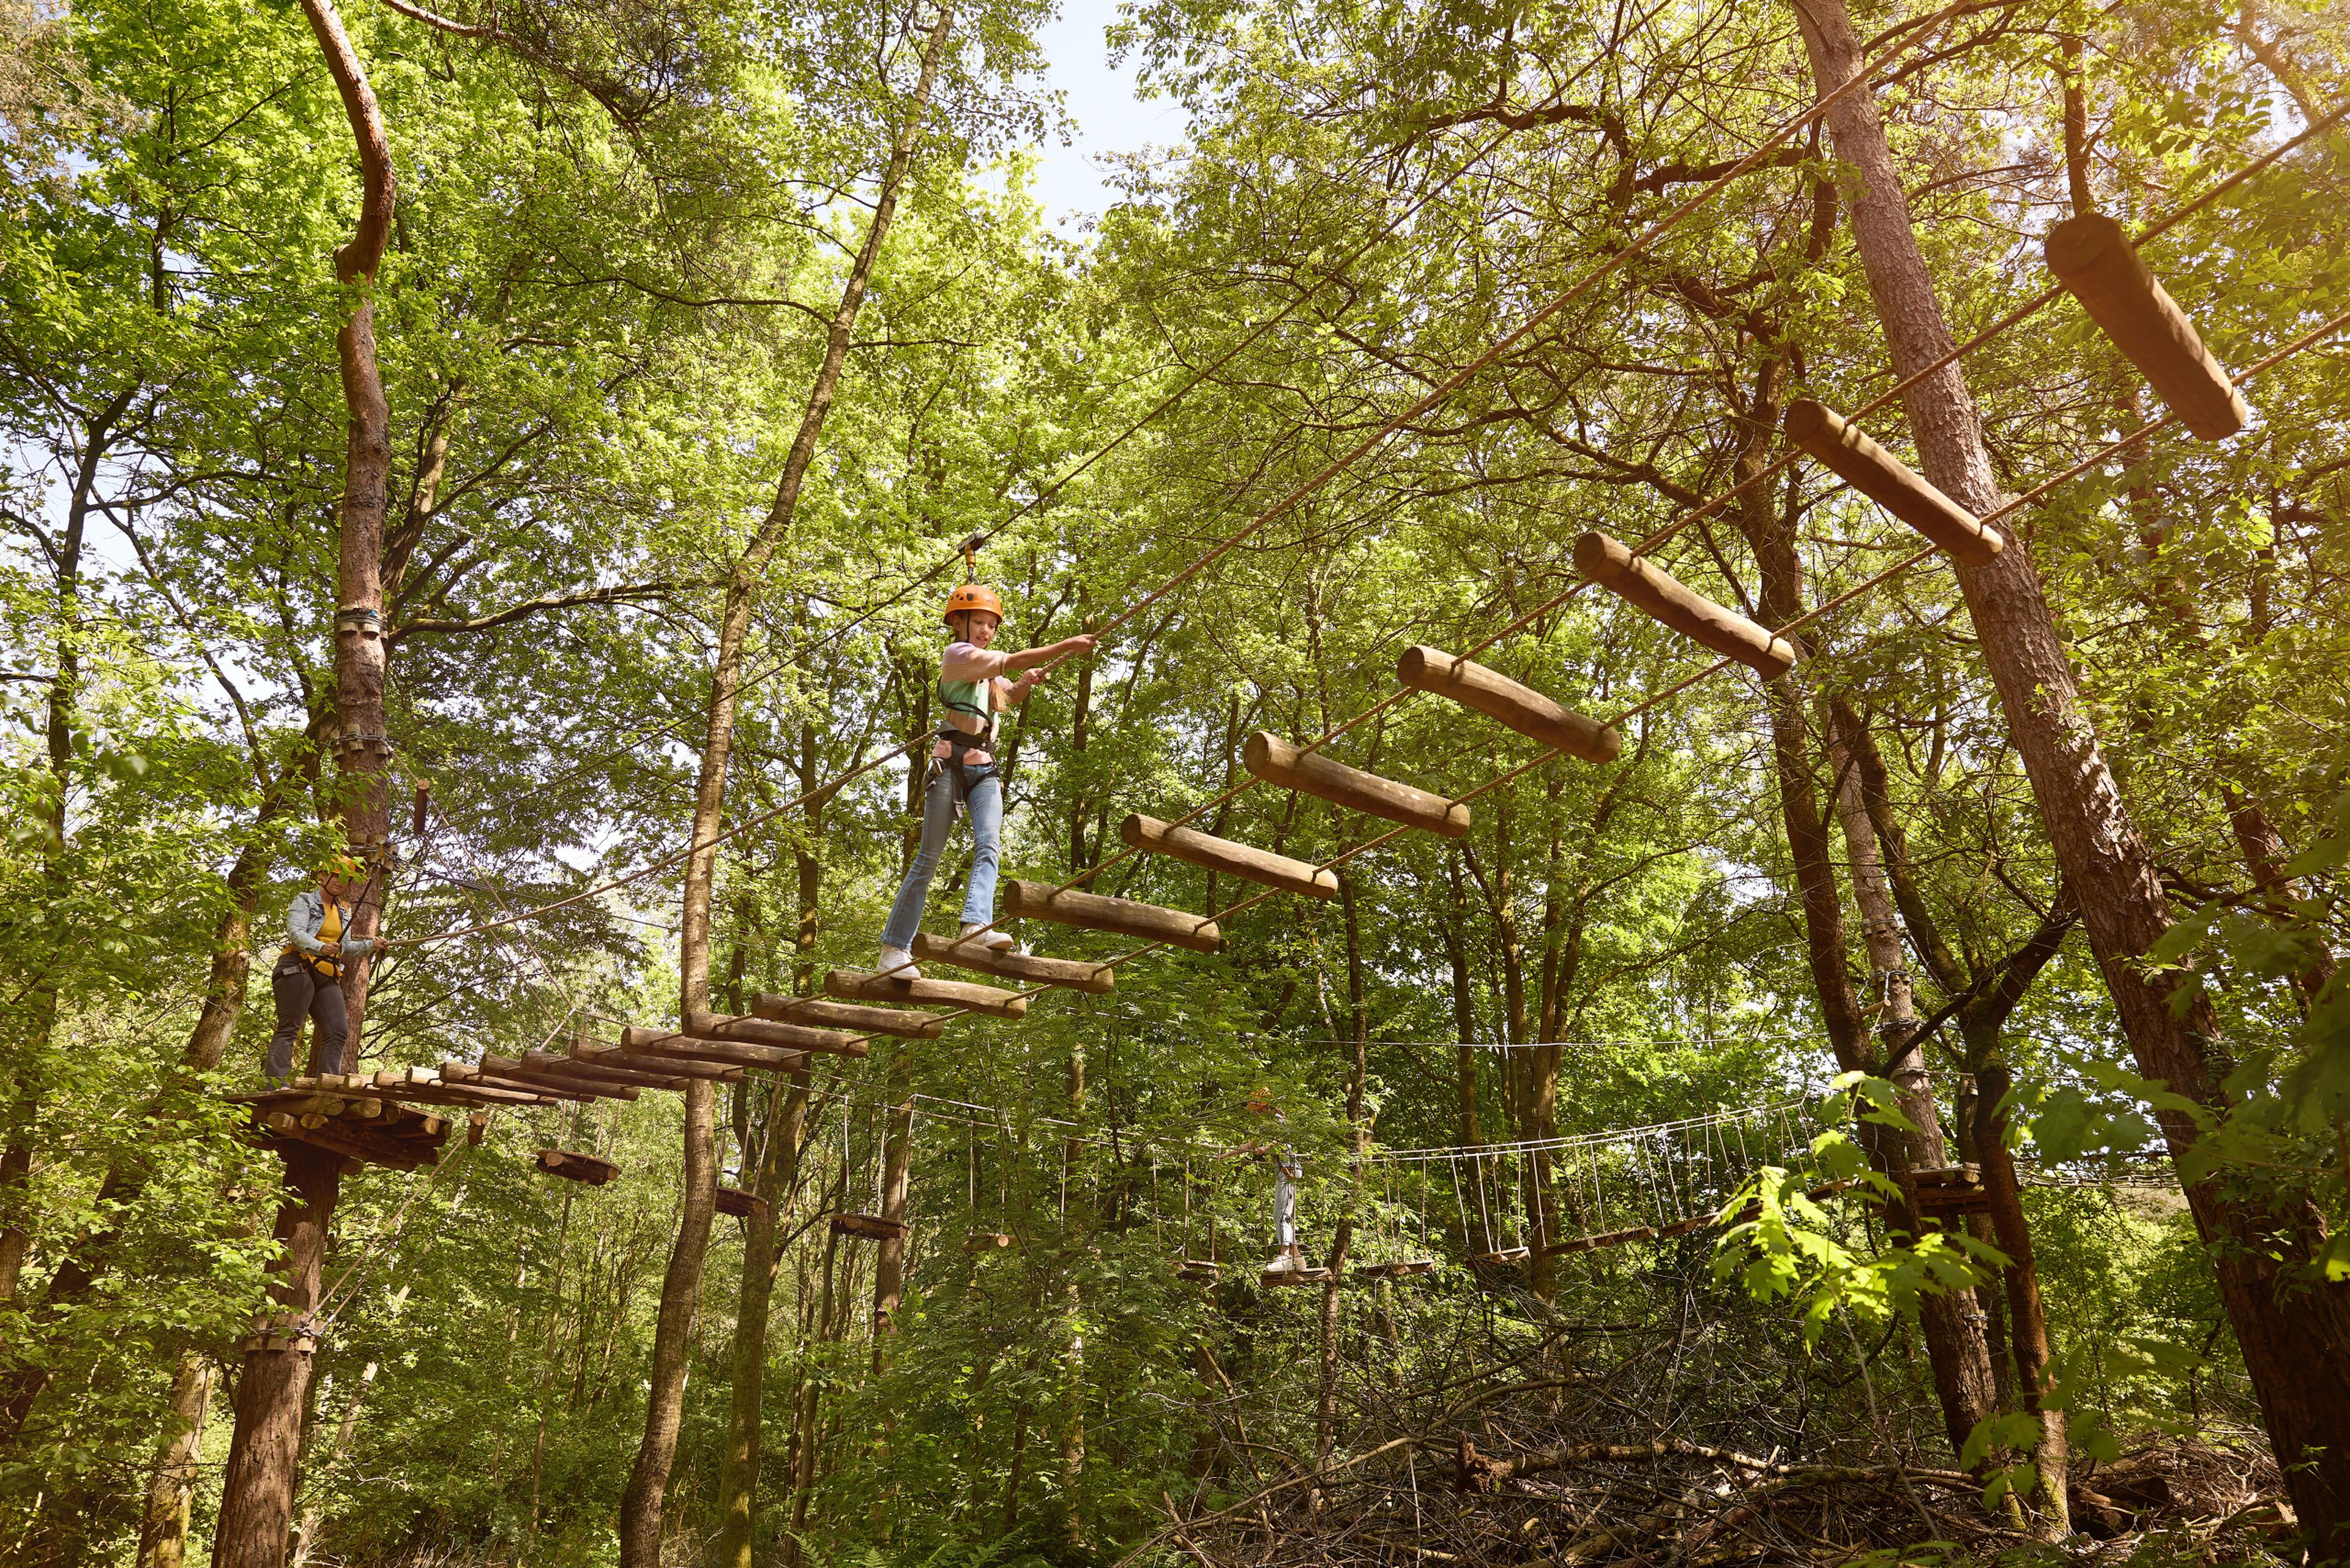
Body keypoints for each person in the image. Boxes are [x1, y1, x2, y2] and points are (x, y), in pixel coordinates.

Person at [876, 584, 1095, 978]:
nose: (985, 631)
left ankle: (975, 925)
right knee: (929, 859)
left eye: (991, 626)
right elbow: (1010, 660)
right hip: (950, 765)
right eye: (979, 623)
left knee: (990, 845)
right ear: (958, 624)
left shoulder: (986, 675)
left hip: (985, 769)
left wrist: (1026, 682)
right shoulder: (958, 657)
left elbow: (1009, 694)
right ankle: (894, 948)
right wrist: (1067, 645)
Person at [266, 854, 384, 1083]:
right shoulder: (305, 901)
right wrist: (320, 947)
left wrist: (372, 946)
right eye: (337, 876)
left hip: (326, 974)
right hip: (297, 966)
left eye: (346, 879)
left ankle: (328, 1084)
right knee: (290, 1027)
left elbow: (345, 947)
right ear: (322, 875)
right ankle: (274, 1083)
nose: (341, 882)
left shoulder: (343, 910)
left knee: (338, 1030)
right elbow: (296, 932)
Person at [1231, 1089, 1311, 1276]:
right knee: (1282, 1214)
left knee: (1281, 1215)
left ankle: (1285, 1257)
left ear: (1265, 1107)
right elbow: (1250, 1145)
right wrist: (1225, 1155)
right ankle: (1297, 1258)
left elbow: (1281, 1139)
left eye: (1257, 1111)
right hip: (1283, 1173)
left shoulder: (1278, 1119)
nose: (1256, 1114)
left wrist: (1266, 1148)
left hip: (1288, 1171)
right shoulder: (1266, 1125)